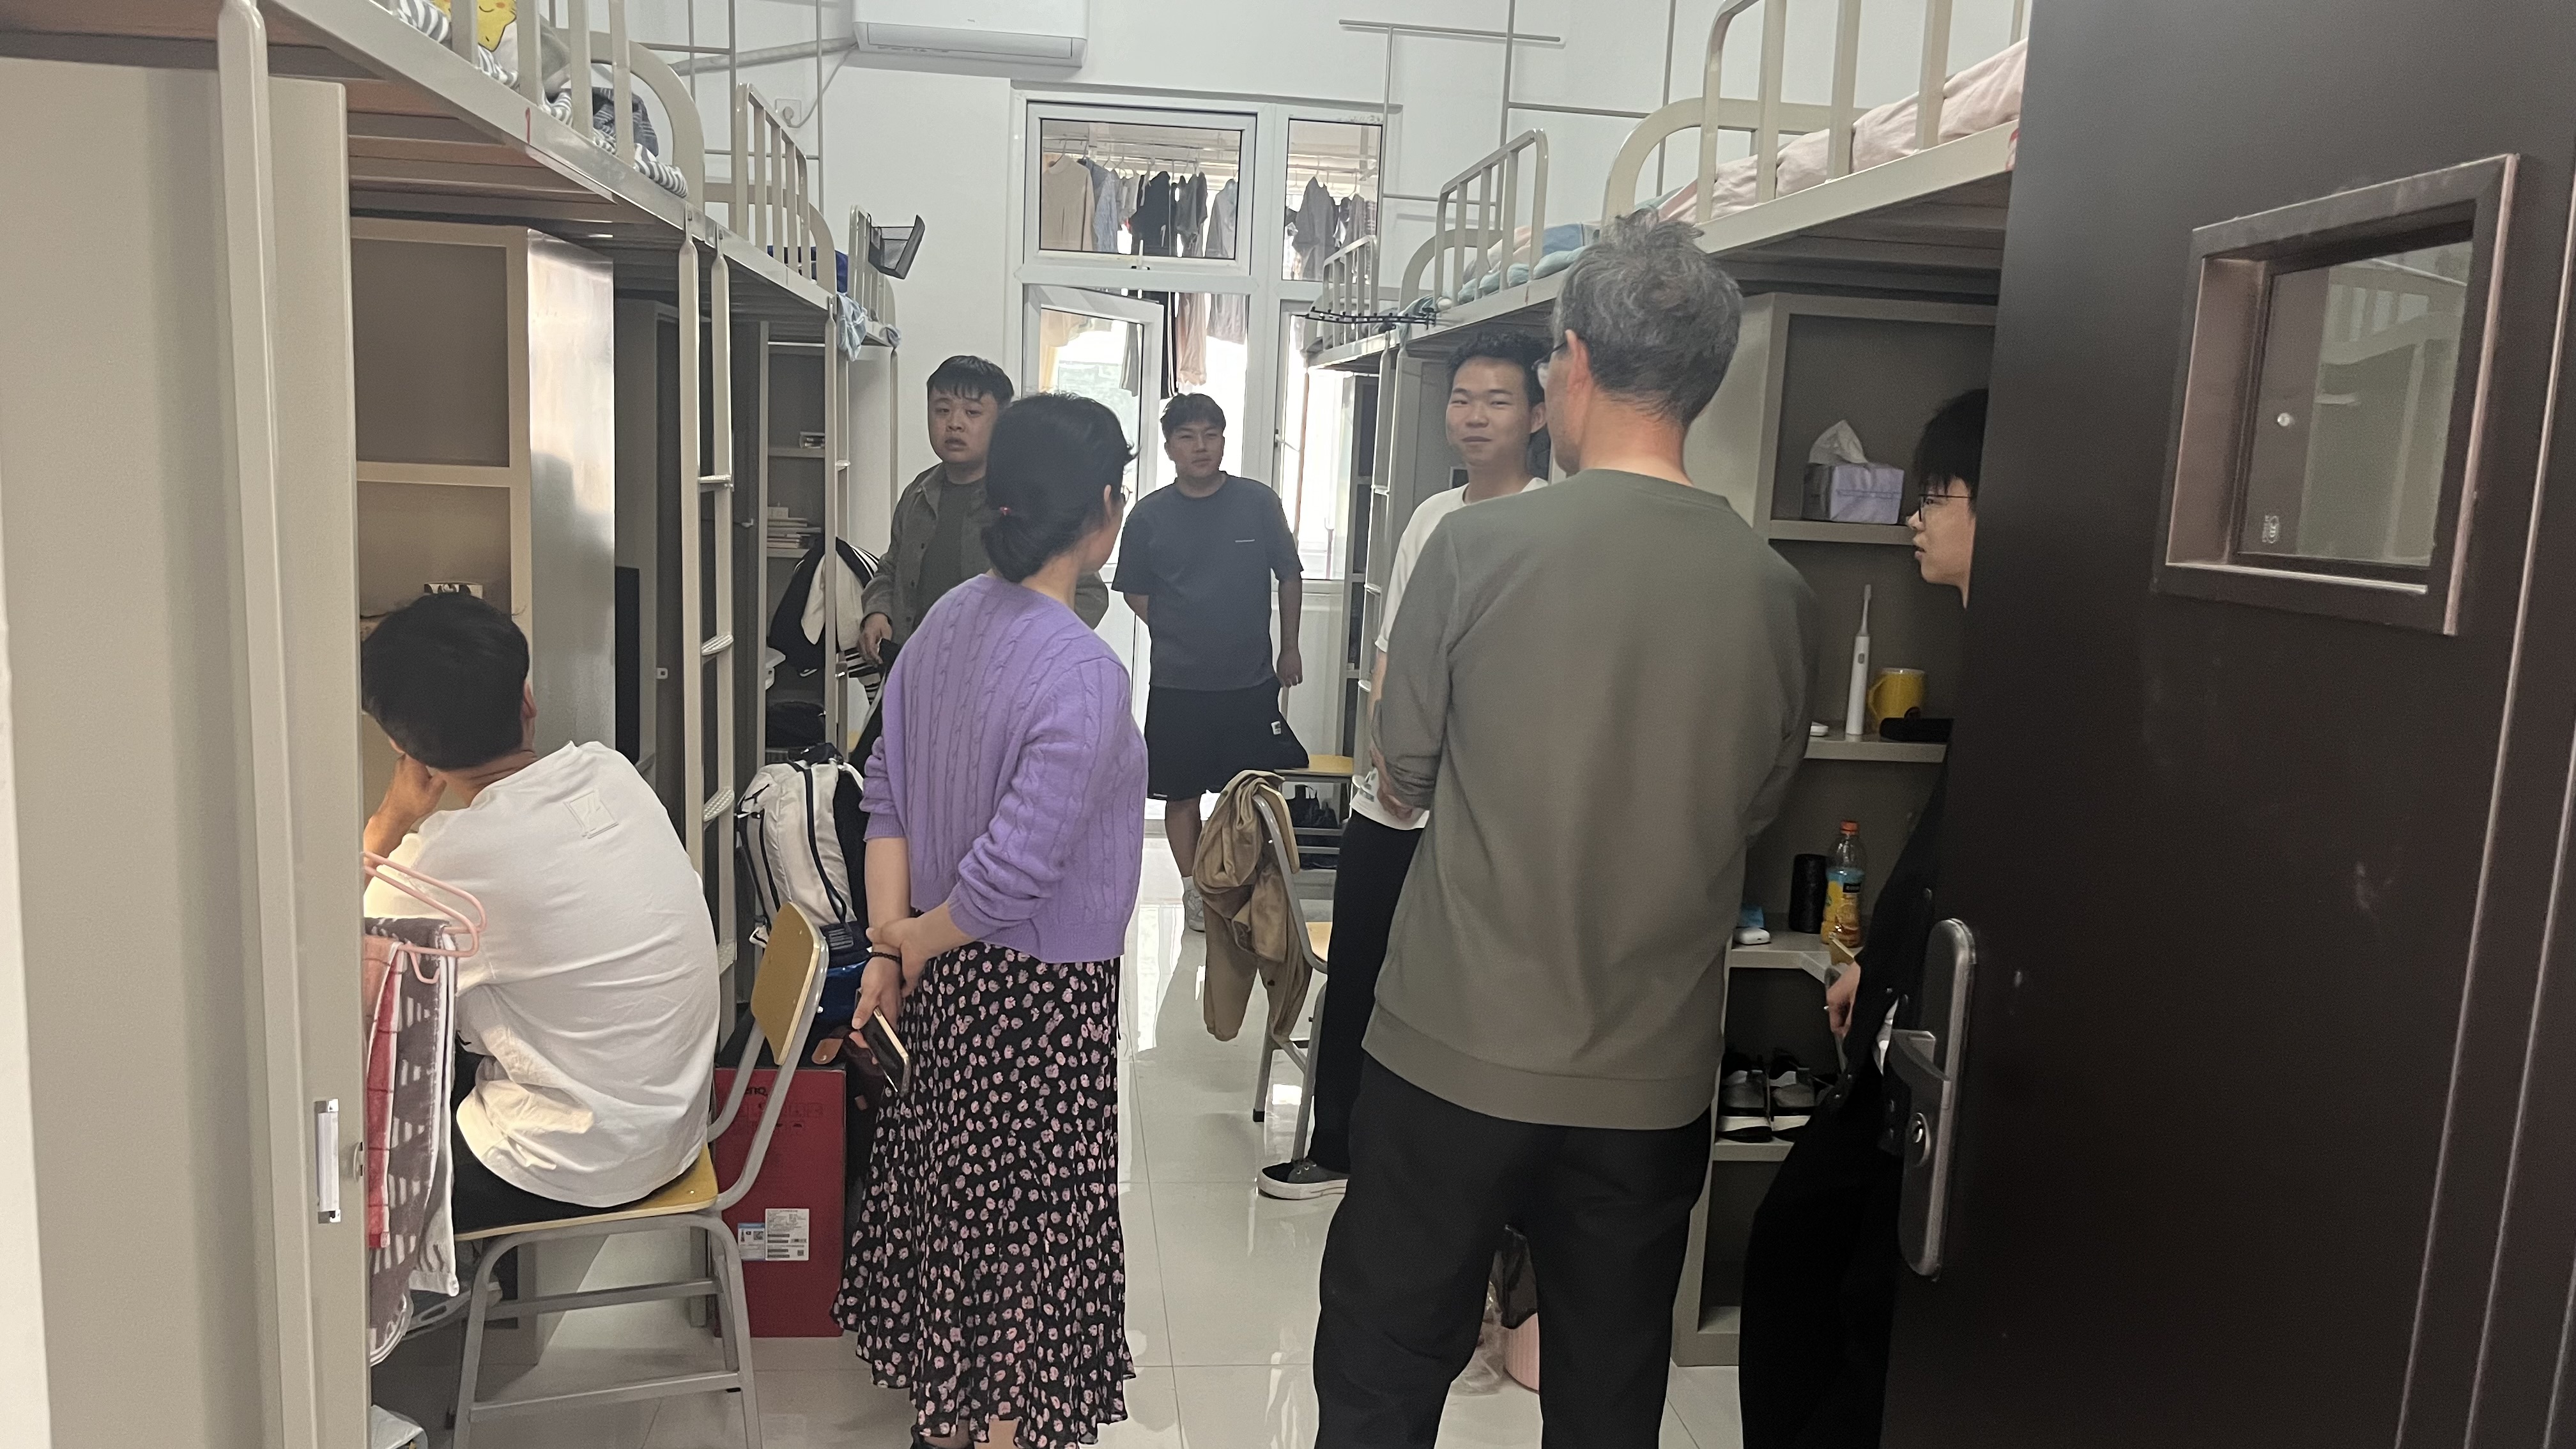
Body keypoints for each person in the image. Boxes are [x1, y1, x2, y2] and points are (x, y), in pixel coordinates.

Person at [1310, 213, 1820, 1446]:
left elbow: (1401, 776)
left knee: (1381, 1375)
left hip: (1452, 1049)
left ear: (1571, 364)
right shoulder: (1778, 594)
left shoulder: (1474, 546)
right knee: (1605, 1395)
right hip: (1647, 1079)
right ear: (1706, 377)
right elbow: (1756, 805)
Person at [833, 394, 1147, 1449]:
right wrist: (912, 941)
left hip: (941, 969)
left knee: (956, 1197)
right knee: (1031, 1219)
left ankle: (950, 1412)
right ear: (1103, 511)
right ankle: (1005, 1427)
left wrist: (895, 944)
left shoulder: (945, 624)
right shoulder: (1085, 673)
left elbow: (883, 791)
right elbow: (1014, 874)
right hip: (1039, 994)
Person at [1737, 387, 1986, 1449]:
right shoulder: (1999, 654)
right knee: (1802, 1260)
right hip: (1891, 1045)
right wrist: (1871, 972)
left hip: (1926, 1083)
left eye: (1938, 494)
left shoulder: (2050, 679)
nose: (1915, 518)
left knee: (1846, 1305)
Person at [1259, 328, 1552, 1200]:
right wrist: (1391, 752)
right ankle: (1338, 1145)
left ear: (1539, 415)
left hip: (1485, 812)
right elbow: (1392, 658)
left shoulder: (1552, 522)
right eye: (1462, 399)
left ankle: (1458, 1170)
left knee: (1473, 991)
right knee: (1359, 971)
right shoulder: (1431, 516)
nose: (1474, 416)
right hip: (1391, 803)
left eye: (1497, 400)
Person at [360, 592, 718, 1236]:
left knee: (340, 1167)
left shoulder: (435, 867)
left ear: (399, 744)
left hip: (573, 1164)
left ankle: (444, 1282)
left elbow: (351, 958)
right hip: (677, 1128)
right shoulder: (612, 773)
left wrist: (393, 817)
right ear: (527, 700)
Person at [1112, 393, 1306, 931]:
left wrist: (1290, 646)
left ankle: (1250, 885)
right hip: (1179, 683)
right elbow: (1134, 590)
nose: (1201, 446)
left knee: (1252, 792)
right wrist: (1181, 628)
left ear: (1223, 440)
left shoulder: (1257, 502)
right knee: (1181, 793)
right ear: (1170, 447)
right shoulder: (1149, 515)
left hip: (1250, 678)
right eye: (1187, 437)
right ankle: (1194, 890)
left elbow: (1289, 573)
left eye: (1211, 435)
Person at [859, 355, 1109, 661]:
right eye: (942, 410)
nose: (954, 423)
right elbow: (890, 568)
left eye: (972, 412)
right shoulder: (918, 493)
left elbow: (1089, 595)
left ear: (1001, 422)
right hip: (914, 666)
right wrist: (879, 613)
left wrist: (1024, 649)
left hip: (994, 675)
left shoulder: (1025, 501)